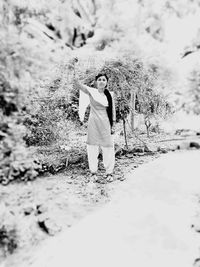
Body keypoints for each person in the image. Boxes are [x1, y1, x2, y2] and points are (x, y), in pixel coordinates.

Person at [73, 73, 116, 182]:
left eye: (104, 80)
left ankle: (109, 173)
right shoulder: (92, 92)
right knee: (92, 148)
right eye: (100, 79)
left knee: (108, 148)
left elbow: (113, 111)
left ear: (106, 82)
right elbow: (78, 84)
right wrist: (75, 69)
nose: (102, 81)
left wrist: (113, 125)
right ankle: (93, 172)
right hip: (93, 123)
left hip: (106, 123)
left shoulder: (109, 95)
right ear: (96, 82)